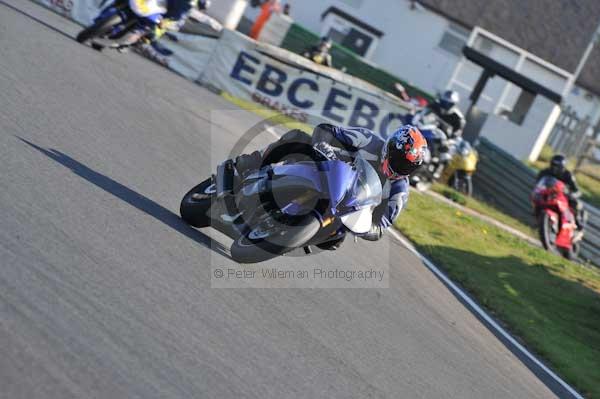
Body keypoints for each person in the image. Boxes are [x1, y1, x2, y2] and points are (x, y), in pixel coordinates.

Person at [232, 124, 427, 249]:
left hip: (346, 208)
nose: (401, 168)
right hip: (326, 171)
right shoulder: (368, 139)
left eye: (408, 166)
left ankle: (295, 232)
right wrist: (322, 145)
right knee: (297, 136)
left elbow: (381, 227)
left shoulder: (399, 190)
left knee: (334, 242)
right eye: (400, 161)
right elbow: (326, 130)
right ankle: (250, 162)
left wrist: (365, 228)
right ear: (390, 149)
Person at [536, 154, 585, 233]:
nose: (554, 168)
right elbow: (538, 183)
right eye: (553, 165)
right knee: (536, 198)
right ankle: (538, 217)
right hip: (548, 193)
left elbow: (577, 191)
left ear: (562, 167)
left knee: (575, 203)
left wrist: (572, 195)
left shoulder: (568, 175)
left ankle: (577, 220)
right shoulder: (545, 172)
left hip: (563, 196)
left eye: (557, 166)